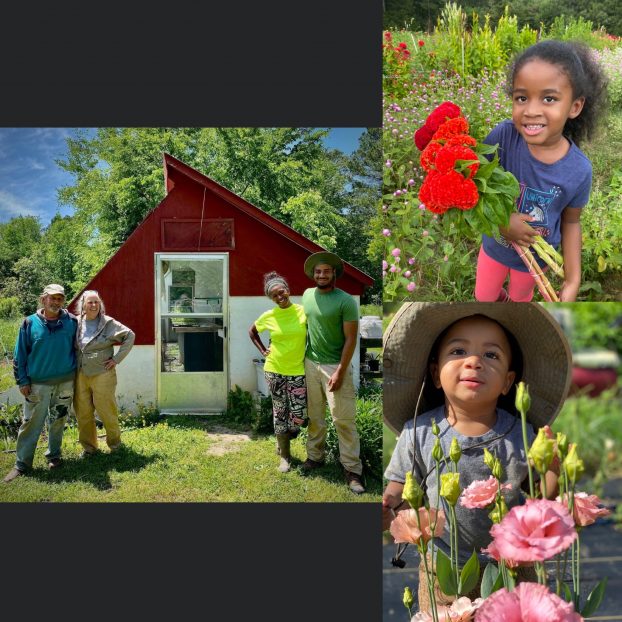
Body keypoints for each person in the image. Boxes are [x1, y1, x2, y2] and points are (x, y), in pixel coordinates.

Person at [382, 302, 572, 612]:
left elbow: (541, 499)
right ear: (435, 373)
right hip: (443, 569)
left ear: (508, 382)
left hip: (512, 565)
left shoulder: (522, 435)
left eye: (491, 355)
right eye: (458, 352)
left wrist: (552, 467)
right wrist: (388, 508)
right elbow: (401, 493)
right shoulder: (417, 432)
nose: (474, 362)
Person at [474, 40, 607, 303]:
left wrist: (573, 279)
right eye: (521, 98)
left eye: (549, 98)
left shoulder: (579, 170)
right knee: (484, 297)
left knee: (521, 301)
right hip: (494, 248)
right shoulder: (503, 137)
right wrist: (502, 222)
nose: (532, 110)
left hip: (534, 261)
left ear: (575, 107)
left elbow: (571, 222)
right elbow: (473, 185)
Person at [301, 251, 365, 494]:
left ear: (334, 273)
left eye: (326, 271)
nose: (322, 275)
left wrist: (339, 371)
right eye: (318, 271)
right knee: (315, 416)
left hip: (334, 366)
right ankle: (315, 457)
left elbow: (351, 339)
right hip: (310, 363)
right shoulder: (307, 296)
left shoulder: (346, 301)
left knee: (343, 419)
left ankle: (352, 470)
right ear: (313, 274)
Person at [4, 284, 78, 482]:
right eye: (52, 298)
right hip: (37, 384)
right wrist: (22, 381)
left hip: (65, 383)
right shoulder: (29, 323)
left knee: (58, 420)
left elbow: (78, 349)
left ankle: (54, 456)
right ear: (43, 299)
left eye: (60, 298)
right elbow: (20, 354)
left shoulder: (71, 322)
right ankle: (21, 464)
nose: (56, 302)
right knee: (30, 423)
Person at [249, 272, 307, 473]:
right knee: (280, 411)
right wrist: (263, 350)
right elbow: (252, 331)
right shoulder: (269, 316)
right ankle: (285, 457)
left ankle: (283, 439)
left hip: (298, 370)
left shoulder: (302, 312)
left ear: (288, 290)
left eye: (280, 291)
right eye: (274, 295)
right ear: (271, 298)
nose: (279, 296)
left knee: (299, 414)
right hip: (274, 369)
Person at [74, 290, 135, 456]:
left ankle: (115, 445)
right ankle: (89, 448)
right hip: (80, 374)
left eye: (96, 302)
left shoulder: (108, 323)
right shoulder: (75, 322)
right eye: (90, 302)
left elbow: (130, 336)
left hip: (103, 374)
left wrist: (116, 359)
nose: (93, 305)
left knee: (107, 410)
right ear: (83, 305)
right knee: (83, 412)